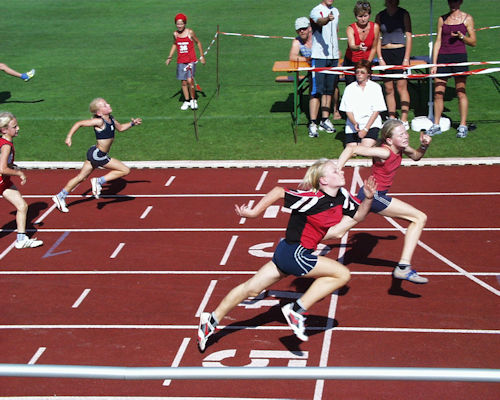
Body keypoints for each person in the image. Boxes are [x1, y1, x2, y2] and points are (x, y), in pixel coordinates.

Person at [197, 159, 377, 350]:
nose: (341, 171)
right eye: (334, 170)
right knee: (342, 274)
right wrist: (254, 213)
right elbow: (278, 191)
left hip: (285, 251)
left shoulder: (342, 196)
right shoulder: (311, 197)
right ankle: (296, 310)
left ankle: (210, 321)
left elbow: (358, 216)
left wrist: (368, 198)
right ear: (323, 180)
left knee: (250, 289)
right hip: (296, 253)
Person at [337, 119, 431, 285]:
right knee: (419, 217)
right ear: (389, 140)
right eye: (400, 134)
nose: (406, 136)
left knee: (337, 231)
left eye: (405, 132)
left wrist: (423, 146)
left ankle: (301, 243)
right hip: (375, 196)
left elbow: (416, 156)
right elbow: (351, 148)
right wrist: (338, 169)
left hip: (366, 194)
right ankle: (403, 267)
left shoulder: (401, 147)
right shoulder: (384, 152)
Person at [52, 98, 142, 213]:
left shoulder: (112, 119)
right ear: (99, 113)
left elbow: (121, 128)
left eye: (107, 103)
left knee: (81, 177)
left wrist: (132, 123)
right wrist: (69, 137)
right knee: (125, 170)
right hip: (98, 155)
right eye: (104, 105)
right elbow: (79, 123)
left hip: (94, 153)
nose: (108, 105)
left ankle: (60, 196)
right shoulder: (99, 122)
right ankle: (99, 181)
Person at [428, 0, 476, 138]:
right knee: (438, 92)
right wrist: (434, 63)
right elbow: (438, 41)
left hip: (459, 57)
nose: (453, 3)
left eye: (455, 1)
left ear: (460, 2)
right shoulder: (442, 19)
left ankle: (462, 125)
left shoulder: (467, 18)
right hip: (443, 57)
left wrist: (462, 37)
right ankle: (436, 125)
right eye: (451, 1)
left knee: (460, 92)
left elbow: (473, 42)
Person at [0, 112, 43, 249]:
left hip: (4, 181)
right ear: (4, 130)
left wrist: (12, 166)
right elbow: (2, 168)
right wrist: (19, 173)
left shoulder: (5, 143)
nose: (18, 128)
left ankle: (21, 239)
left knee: (22, 206)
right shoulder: (6, 145)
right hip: (1, 180)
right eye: (14, 126)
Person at [375, 0, 412, 128]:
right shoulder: (380, 16)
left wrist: (406, 58)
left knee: (401, 87)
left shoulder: (404, 14)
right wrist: (379, 57)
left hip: (400, 52)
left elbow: (408, 35)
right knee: (388, 88)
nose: (392, 2)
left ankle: (404, 119)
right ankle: (391, 117)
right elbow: (377, 38)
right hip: (385, 53)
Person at [308, 0, 341, 138]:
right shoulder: (316, 10)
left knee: (329, 89)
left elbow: (335, 31)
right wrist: (327, 19)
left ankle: (325, 119)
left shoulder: (337, 11)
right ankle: (312, 123)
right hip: (319, 56)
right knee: (316, 91)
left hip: (333, 57)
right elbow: (320, 22)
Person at [339, 60, 387, 147]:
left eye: (362, 72)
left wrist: (365, 129)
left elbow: (376, 110)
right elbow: (348, 110)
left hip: (371, 124)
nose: (359, 74)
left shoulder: (375, 87)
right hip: (353, 125)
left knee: (364, 148)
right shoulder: (349, 88)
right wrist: (355, 124)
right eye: (357, 72)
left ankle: (376, 141)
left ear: (368, 74)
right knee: (352, 150)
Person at [165, 13, 206, 111]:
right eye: (177, 24)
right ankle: (186, 101)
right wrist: (170, 57)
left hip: (191, 60)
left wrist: (202, 56)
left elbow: (198, 42)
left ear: (185, 24)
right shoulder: (175, 34)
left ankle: (193, 100)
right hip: (181, 61)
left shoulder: (190, 32)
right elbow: (175, 44)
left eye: (181, 23)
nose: (179, 26)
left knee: (190, 80)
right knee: (183, 82)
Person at [344, 1, 380, 86]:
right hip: (351, 61)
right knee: (352, 87)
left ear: (369, 15)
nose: (363, 19)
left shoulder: (375, 27)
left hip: (367, 61)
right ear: (356, 16)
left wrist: (367, 64)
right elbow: (352, 46)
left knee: (366, 86)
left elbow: (374, 47)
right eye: (360, 16)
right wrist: (358, 47)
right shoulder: (351, 28)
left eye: (365, 16)